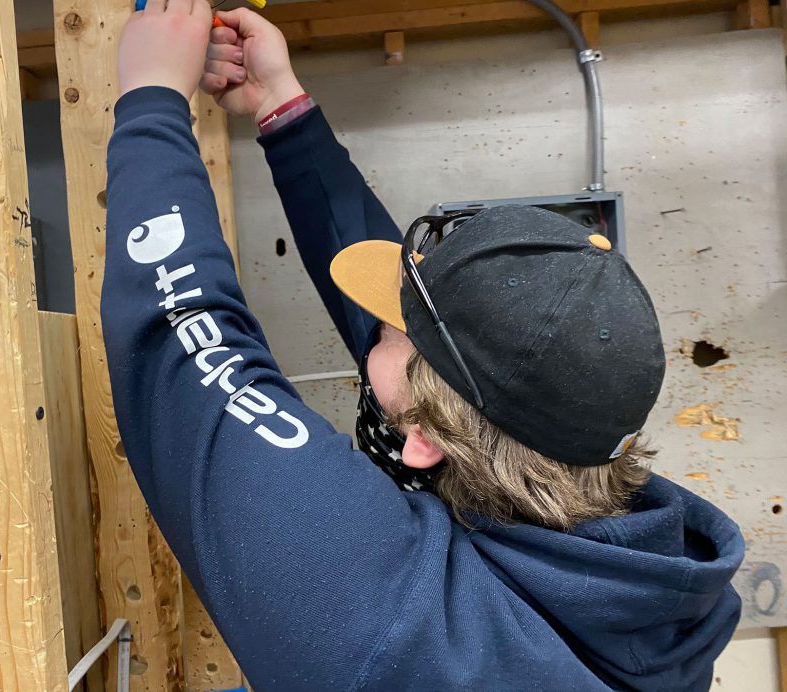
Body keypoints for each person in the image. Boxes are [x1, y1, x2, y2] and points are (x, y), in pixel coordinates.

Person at [106, 2, 745, 689]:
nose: (368, 329)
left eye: (384, 333)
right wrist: (282, 111)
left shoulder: (391, 631)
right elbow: (443, 343)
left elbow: (186, 346)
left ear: (425, 438)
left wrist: (150, 99)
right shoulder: (626, 537)